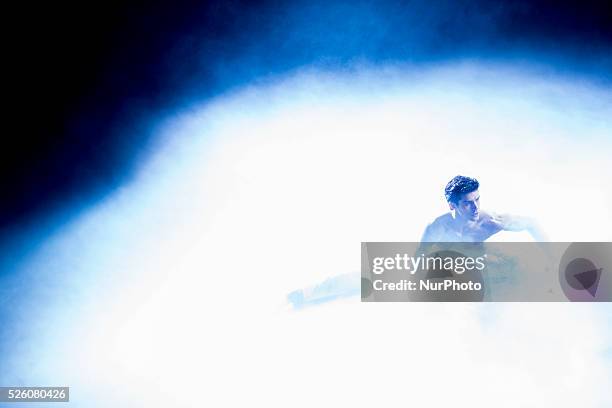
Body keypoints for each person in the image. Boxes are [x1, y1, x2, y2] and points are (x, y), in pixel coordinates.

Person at [420, 175, 546, 242]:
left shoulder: (492, 221)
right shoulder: (437, 228)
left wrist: (553, 259)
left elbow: (532, 223)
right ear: (452, 205)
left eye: (477, 199)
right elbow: (418, 263)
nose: (475, 207)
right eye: (468, 203)